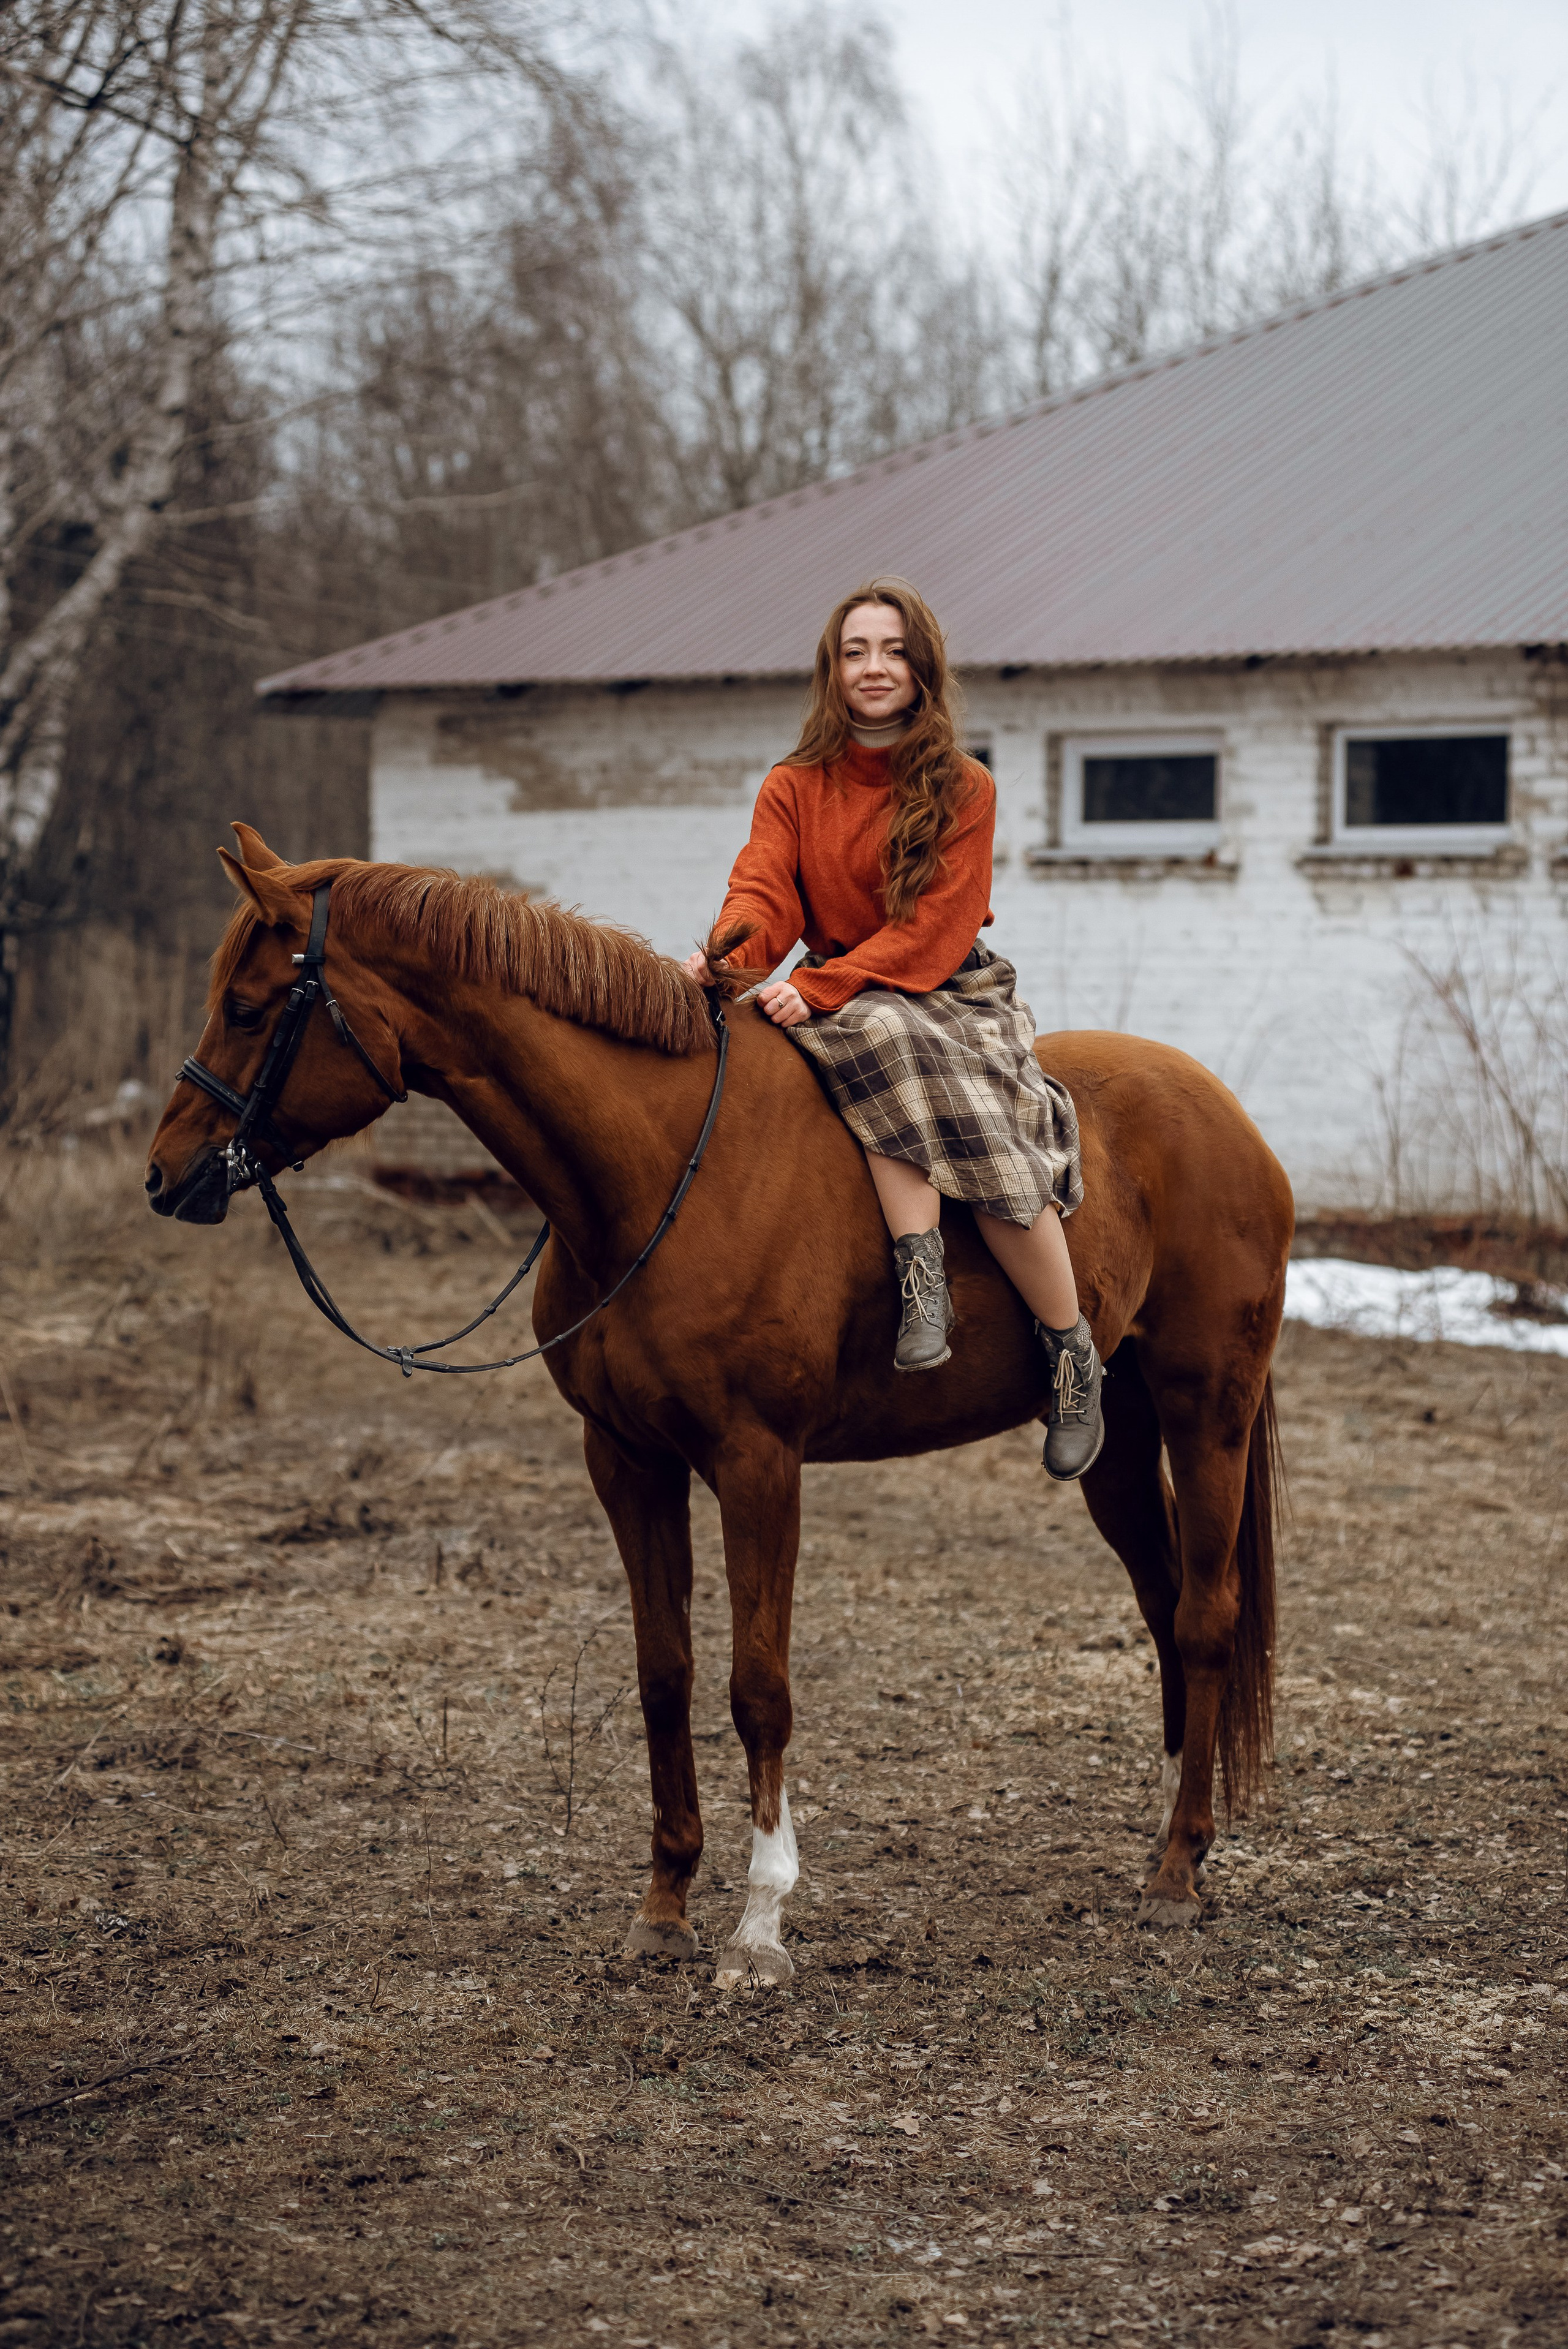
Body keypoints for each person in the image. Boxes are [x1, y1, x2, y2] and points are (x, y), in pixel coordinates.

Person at [684, 578, 1104, 1482]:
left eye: (892, 651)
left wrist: (827, 985)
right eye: (855, 652)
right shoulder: (793, 785)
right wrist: (727, 958)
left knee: (904, 1053)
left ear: (923, 668)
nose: (874, 668)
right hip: (847, 997)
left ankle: (1071, 1356)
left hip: (947, 989)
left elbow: (936, 927)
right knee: (852, 1038)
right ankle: (922, 1284)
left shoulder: (964, 784)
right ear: (833, 671)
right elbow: (764, 891)